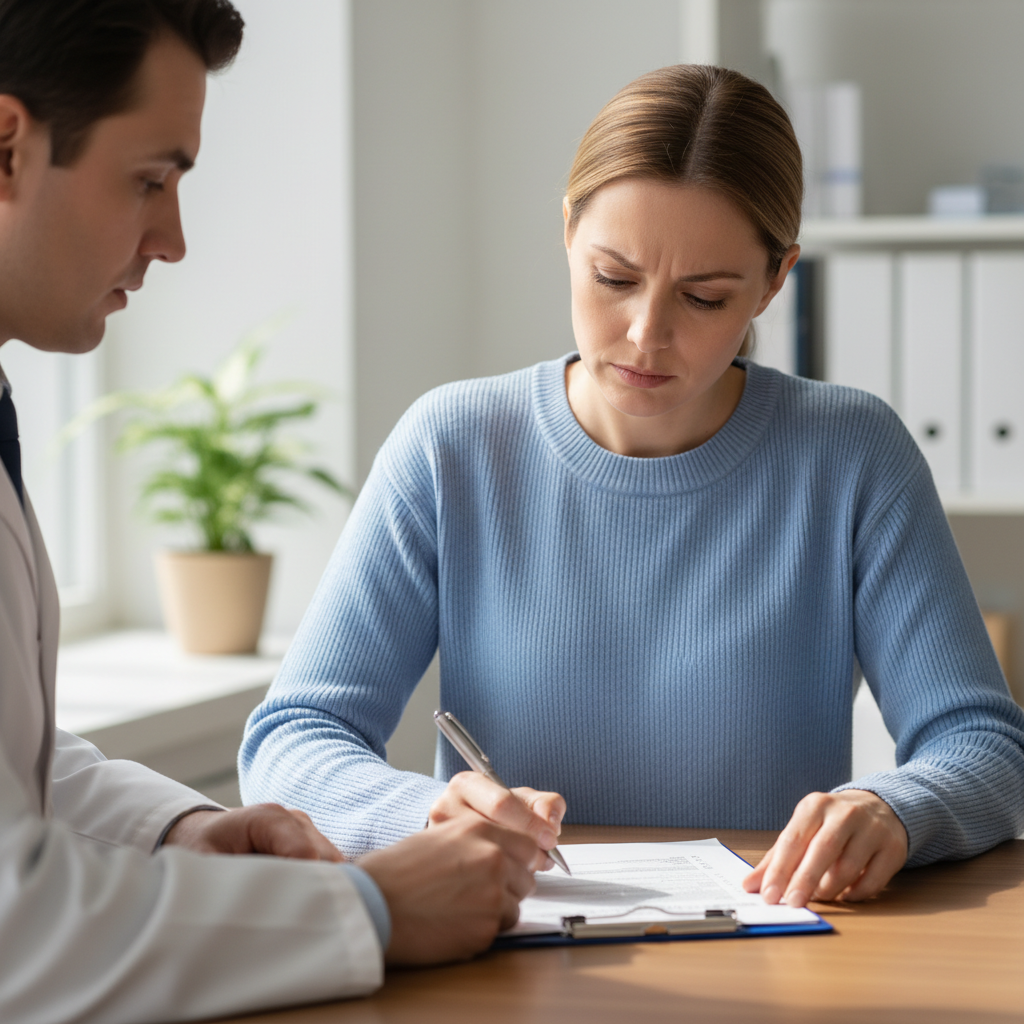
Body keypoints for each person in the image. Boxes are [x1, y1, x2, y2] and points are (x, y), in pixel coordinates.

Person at [241, 64, 1024, 911]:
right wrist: (424, 811)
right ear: (568, 233)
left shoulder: (850, 455)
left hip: (766, 957)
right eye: (613, 278)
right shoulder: (452, 446)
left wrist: (894, 807)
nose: (647, 335)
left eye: (705, 297)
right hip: (503, 954)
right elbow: (294, 740)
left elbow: (983, 743)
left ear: (774, 279)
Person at [0, 2, 548, 1022]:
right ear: (6, 149)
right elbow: (13, 927)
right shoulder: (454, 440)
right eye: (150, 182)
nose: (172, 240)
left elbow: (15, 774)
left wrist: (175, 828)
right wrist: (370, 907)